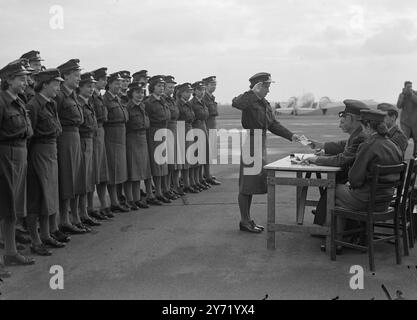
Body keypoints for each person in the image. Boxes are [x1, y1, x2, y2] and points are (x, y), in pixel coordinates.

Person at [232, 73, 299, 233]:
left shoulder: (264, 103)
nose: (268, 90)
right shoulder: (249, 100)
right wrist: (252, 92)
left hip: (261, 143)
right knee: (246, 185)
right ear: (258, 86)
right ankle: (244, 220)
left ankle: (247, 220)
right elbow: (237, 103)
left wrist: (291, 135)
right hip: (252, 143)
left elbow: (273, 124)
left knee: (252, 184)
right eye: (267, 86)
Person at [333, 110, 403, 241]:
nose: (362, 130)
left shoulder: (368, 145)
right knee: (342, 195)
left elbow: (354, 180)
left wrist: (351, 183)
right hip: (385, 200)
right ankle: (356, 236)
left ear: (369, 126)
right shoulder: (394, 146)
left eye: (363, 126)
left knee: (333, 189)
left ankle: (336, 240)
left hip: (367, 201)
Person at [304, 100, 369, 226]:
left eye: (343, 120)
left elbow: (341, 160)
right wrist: (321, 145)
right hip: (369, 189)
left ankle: (328, 230)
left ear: (350, 118)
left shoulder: (360, 136)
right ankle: (327, 224)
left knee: (331, 186)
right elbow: (343, 145)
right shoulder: (358, 135)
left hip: (361, 192)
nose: (340, 125)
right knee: (334, 184)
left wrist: (315, 160)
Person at [26, 69, 66, 257]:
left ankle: (46, 234)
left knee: (48, 196)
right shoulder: (33, 105)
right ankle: (35, 240)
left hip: (50, 152)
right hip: (38, 154)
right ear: (44, 84)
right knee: (36, 199)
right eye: (55, 83)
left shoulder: (50, 104)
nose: (58, 86)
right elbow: (28, 136)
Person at [0, 60, 35, 266]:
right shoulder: (2, 102)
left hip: (20, 155)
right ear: (8, 80)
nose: (26, 81)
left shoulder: (19, 101)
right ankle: (9, 252)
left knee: (13, 207)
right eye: (21, 78)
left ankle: (11, 252)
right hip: (6, 156)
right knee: (6, 207)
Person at [55, 59, 86, 235]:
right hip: (65, 138)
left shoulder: (72, 94)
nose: (78, 79)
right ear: (65, 76)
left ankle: (75, 217)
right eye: (75, 76)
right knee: (67, 179)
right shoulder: (59, 95)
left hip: (75, 136)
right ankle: (64, 220)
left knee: (76, 179)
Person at [124, 81, 156, 208]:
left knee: (145, 169)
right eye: (137, 92)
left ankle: (145, 196)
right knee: (135, 171)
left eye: (142, 92)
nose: (140, 95)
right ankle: (134, 199)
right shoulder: (127, 108)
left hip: (143, 139)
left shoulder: (143, 106)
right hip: (133, 139)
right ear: (131, 94)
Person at [103, 72, 130, 213]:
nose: (119, 86)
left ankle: (118, 198)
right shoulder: (105, 99)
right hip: (111, 136)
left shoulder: (118, 99)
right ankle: (113, 201)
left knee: (119, 169)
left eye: (120, 83)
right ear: (109, 84)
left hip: (121, 136)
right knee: (113, 170)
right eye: (117, 83)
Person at [77, 73, 100, 230]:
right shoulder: (78, 102)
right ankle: (80, 213)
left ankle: (84, 212)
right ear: (80, 87)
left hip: (90, 140)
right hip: (81, 141)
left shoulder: (88, 102)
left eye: (92, 86)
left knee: (88, 178)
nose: (91, 89)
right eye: (88, 86)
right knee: (82, 179)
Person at [89, 68, 113, 220]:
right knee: (94, 172)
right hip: (94, 132)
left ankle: (104, 203)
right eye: (102, 79)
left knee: (102, 171)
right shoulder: (91, 97)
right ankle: (90, 206)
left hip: (101, 132)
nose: (105, 82)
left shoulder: (100, 97)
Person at [145, 75, 172, 204]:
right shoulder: (149, 102)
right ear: (152, 87)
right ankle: (153, 193)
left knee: (162, 163)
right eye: (159, 86)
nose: (162, 88)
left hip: (163, 131)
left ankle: (161, 190)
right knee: (155, 164)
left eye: (163, 86)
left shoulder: (163, 100)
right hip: (154, 132)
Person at [176, 83, 199, 194]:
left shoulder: (188, 104)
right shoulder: (178, 104)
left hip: (189, 128)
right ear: (180, 93)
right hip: (182, 129)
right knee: (184, 159)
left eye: (190, 92)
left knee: (189, 158)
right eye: (186, 92)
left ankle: (189, 183)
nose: (189, 94)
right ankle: (185, 184)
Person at [163, 75, 183, 198]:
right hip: (167, 130)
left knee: (176, 161)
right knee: (169, 161)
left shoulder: (171, 100)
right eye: (169, 87)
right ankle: (168, 187)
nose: (171, 90)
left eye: (172, 87)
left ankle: (174, 186)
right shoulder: (163, 100)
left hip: (174, 129)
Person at [190, 81, 211, 191]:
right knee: (196, 157)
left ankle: (199, 179)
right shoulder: (192, 103)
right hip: (196, 129)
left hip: (203, 127)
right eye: (199, 90)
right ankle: (195, 180)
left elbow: (206, 115)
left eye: (203, 90)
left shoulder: (202, 102)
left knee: (202, 156)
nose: (202, 92)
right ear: (194, 91)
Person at [202, 76, 221, 186]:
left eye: (215, 84)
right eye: (211, 84)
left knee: (209, 153)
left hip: (212, 126)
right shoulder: (204, 98)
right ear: (206, 85)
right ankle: (206, 175)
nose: (214, 86)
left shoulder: (211, 97)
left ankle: (207, 174)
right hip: (207, 126)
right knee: (205, 153)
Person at [397, 81, 417, 157]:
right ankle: (401, 157)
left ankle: (415, 158)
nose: (410, 88)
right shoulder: (402, 95)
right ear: (404, 87)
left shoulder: (415, 93)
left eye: (411, 86)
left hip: (415, 123)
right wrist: (402, 96)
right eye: (408, 87)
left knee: (416, 140)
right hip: (405, 122)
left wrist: (411, 94)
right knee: (404, 140)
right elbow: (398, 106)